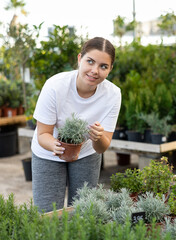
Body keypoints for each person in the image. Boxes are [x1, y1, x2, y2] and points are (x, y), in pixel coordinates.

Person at [31, 37, 121, 212]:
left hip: (87, 153)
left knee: (83, 212)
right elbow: (43, 134)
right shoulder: (55, 86)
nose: (95, 71)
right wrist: (56, 146)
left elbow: (102, 147)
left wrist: (98, 137)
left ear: (110, 69)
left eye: (103, 66)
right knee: (48, 214)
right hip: (48, 153)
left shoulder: (113, 94)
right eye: (90, 61)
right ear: (80, 59)